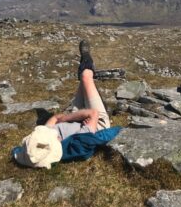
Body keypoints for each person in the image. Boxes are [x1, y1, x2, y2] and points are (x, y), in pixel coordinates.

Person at [13, 40, 111, 169]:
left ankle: (86, 72)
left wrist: (67, 117)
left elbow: (55, 118)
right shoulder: (77, 143)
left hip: (76, 117)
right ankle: (86, 57)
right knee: (86, 77)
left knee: (83, 81)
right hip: (97, 122)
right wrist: (68, 118)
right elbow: (93, 114)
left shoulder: (43, 136)